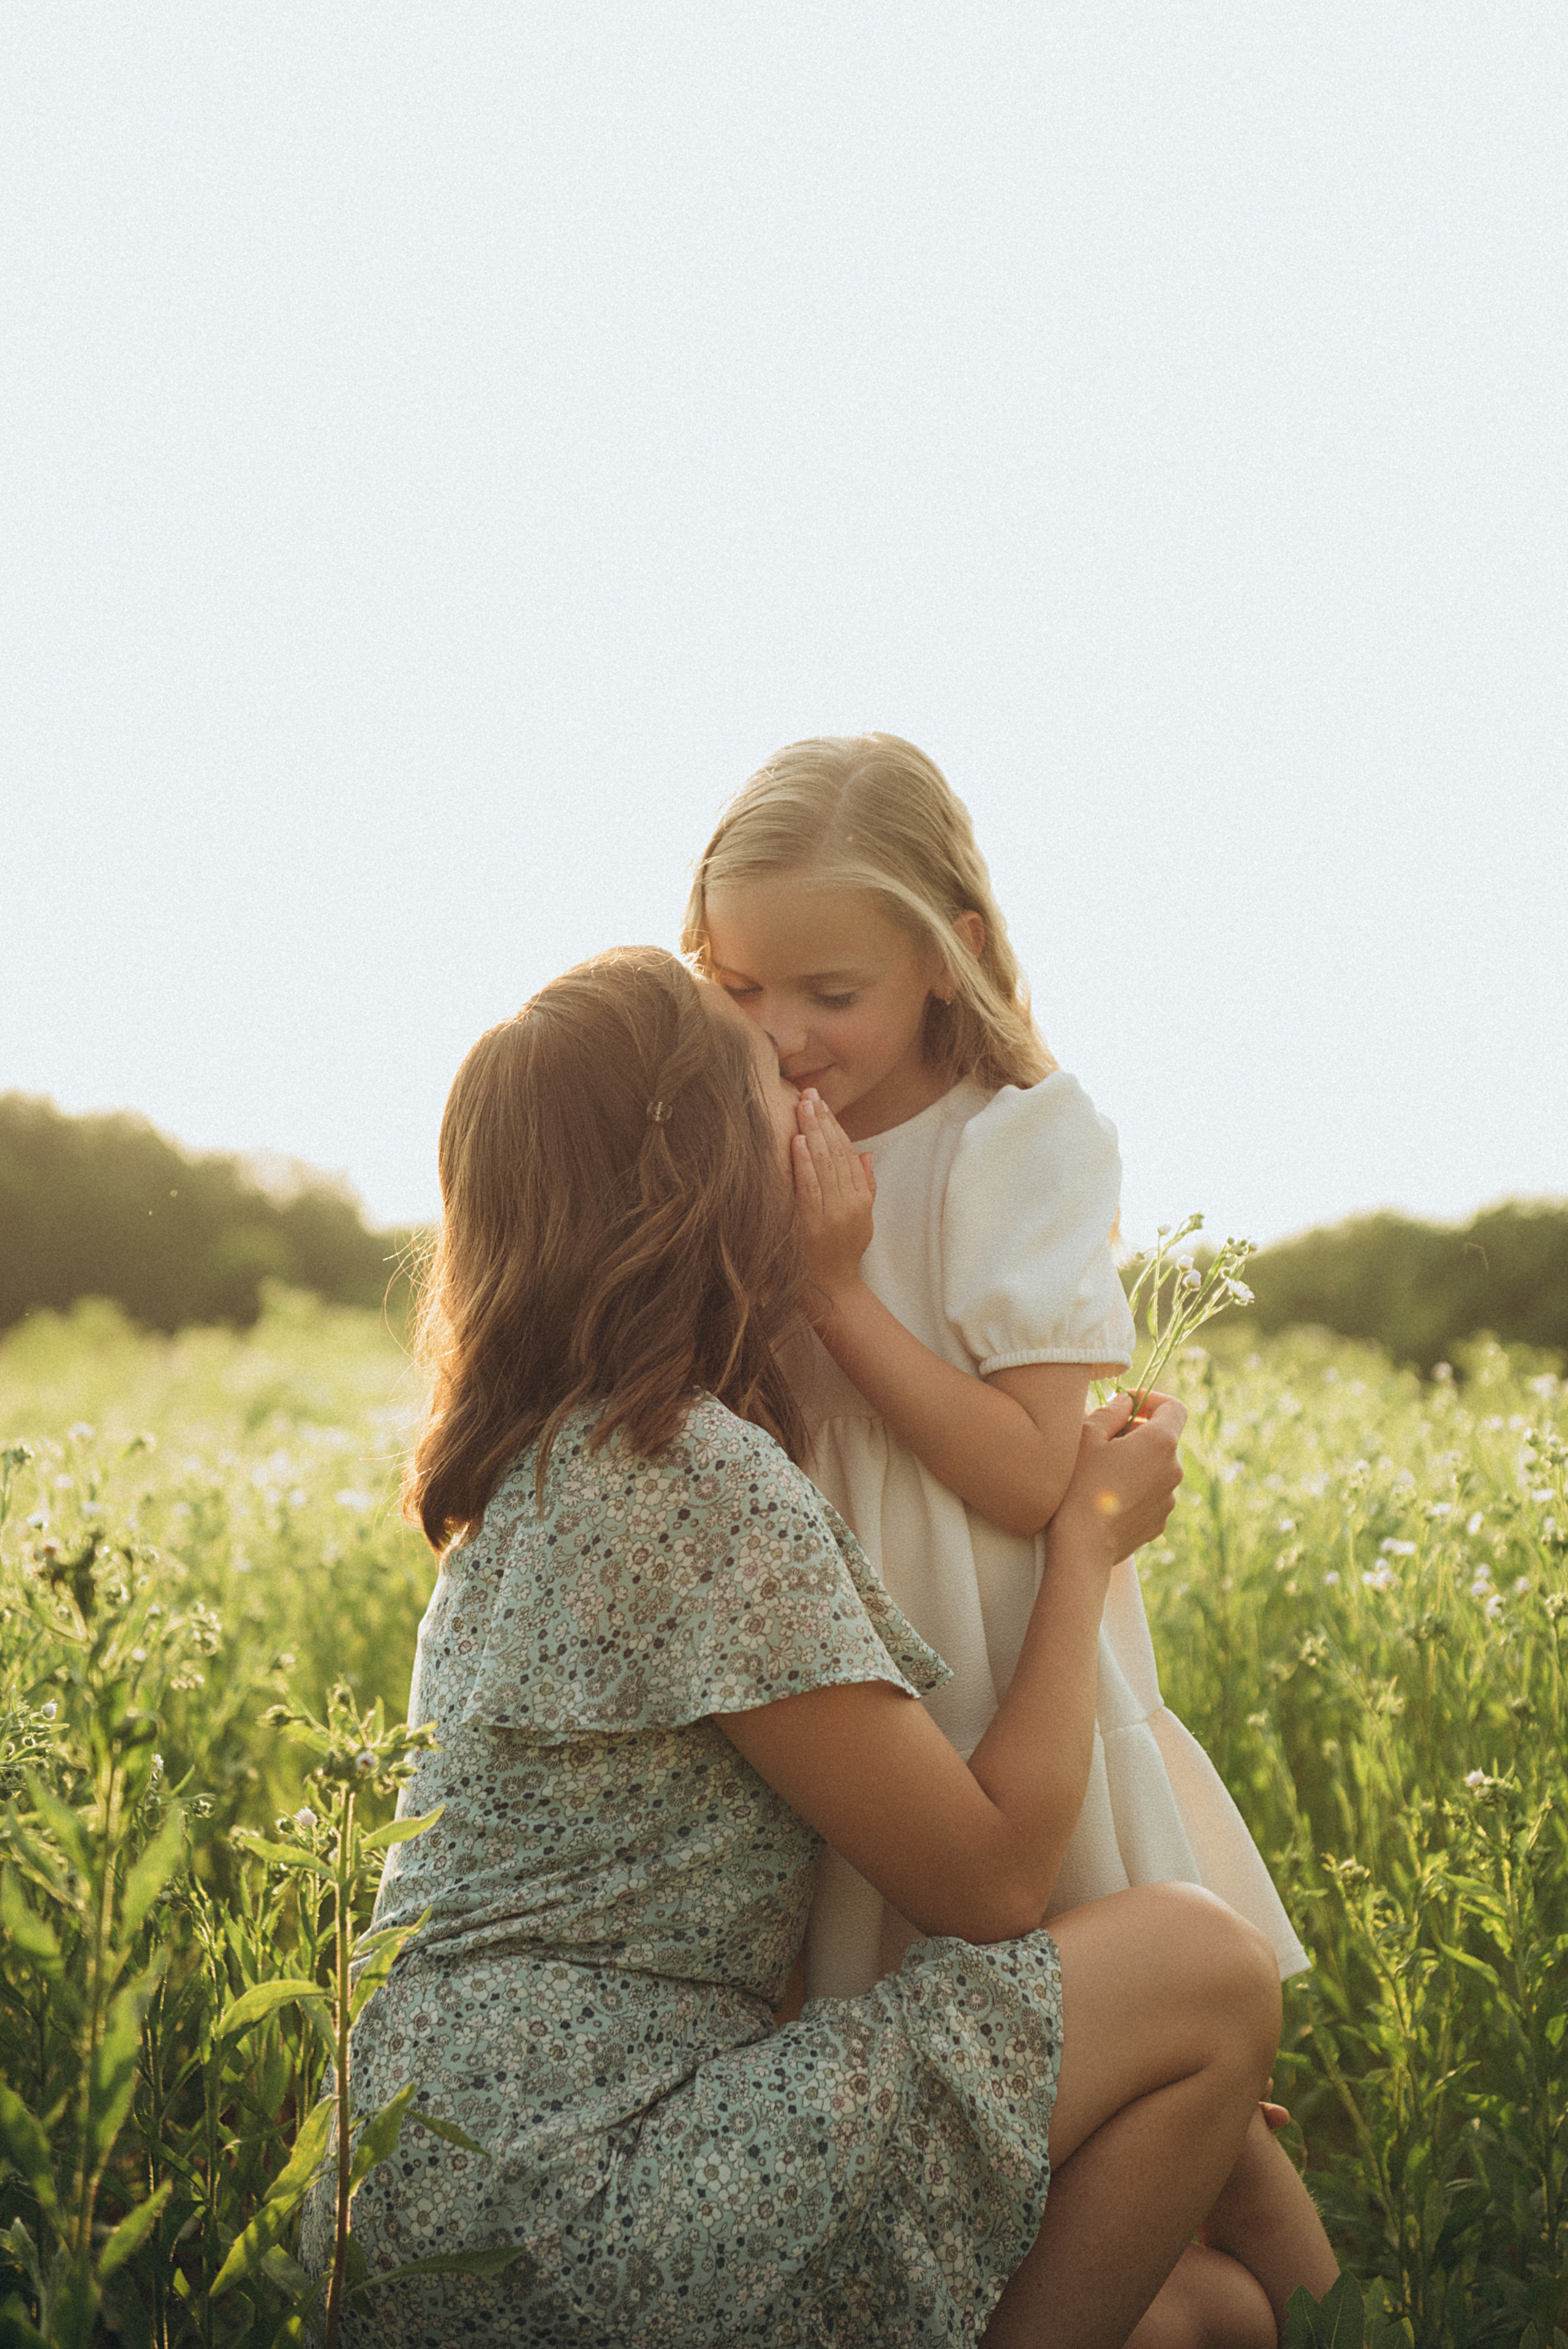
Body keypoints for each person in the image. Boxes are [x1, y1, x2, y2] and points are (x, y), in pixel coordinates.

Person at [301, 946, 1316, 2347]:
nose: (808, 1111)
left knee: (1199, 2314)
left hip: (408, 2199)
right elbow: (993, 1878)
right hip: (577, 2202)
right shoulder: (680, 1471)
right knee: (1204, 1970)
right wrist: (1079, 1541)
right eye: (767, 1086)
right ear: (714, 1165)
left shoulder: (528, 1474)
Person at [681, 734, 1310, 2013]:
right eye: (740, 987)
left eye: (830, 992)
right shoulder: (725, 1132)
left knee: (1136, 2089)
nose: (783, 1034)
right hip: (815, 1676)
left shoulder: (1013, 1140)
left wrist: (833, 1292)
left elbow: (1031, 1476)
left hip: (985, 1661)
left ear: (944, 952)